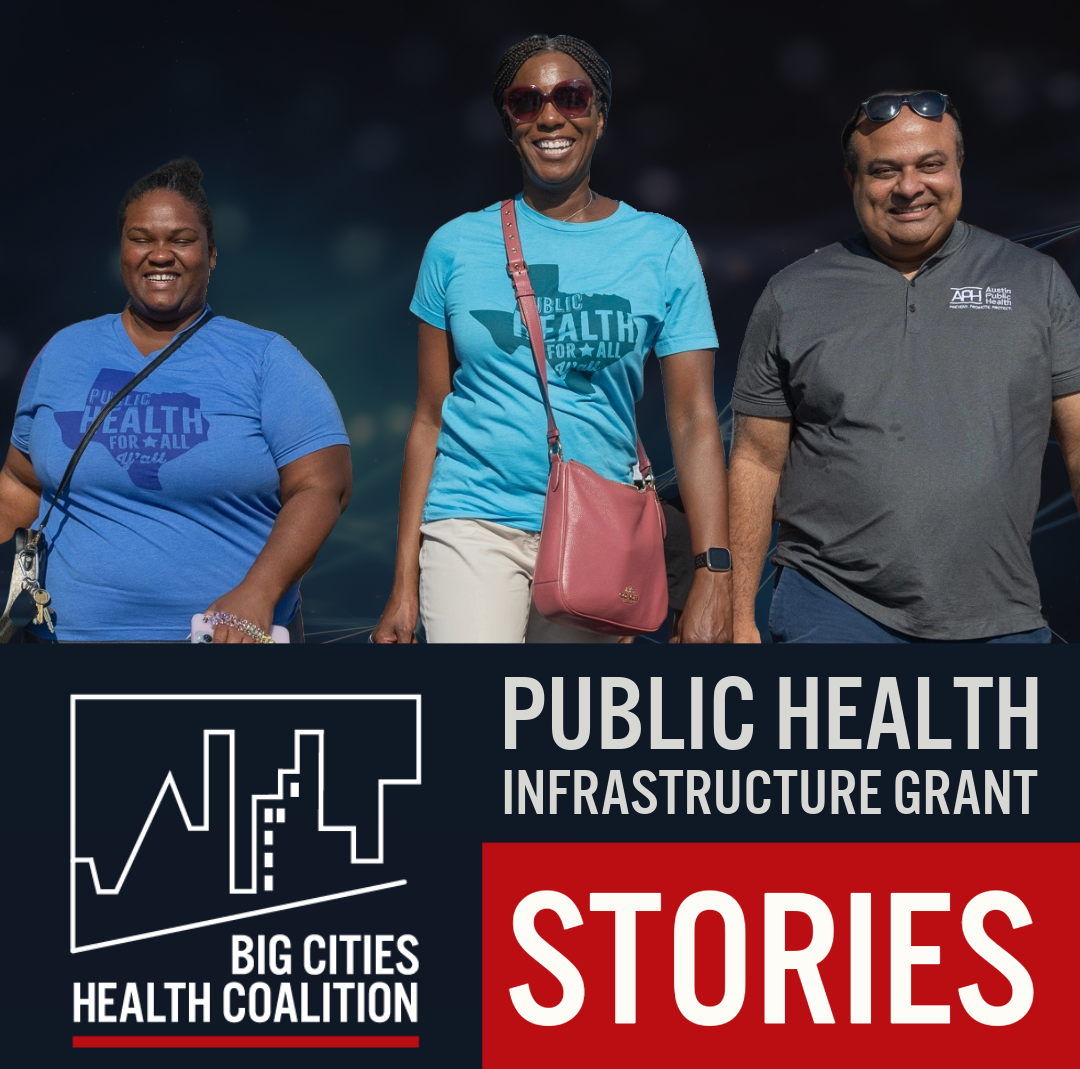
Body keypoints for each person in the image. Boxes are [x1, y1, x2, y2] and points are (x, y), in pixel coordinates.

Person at [373, 33, 731, 644]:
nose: (549, 117)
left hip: (599, 532)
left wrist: (714, 570)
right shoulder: (455, 246)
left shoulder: (660, 245)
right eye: (525, 102)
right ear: (509, 123)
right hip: (473, 522)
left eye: (571, 96)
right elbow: (429, 418)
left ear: (599, 114)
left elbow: (696, 418)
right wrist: (403, 583)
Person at [729, 91, 1080, 644]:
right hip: (831, 609)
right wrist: (737, 613)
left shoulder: (1038, 285)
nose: (909, 187)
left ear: (958, 166)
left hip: (1001, 618)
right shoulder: (792, 294)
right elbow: (755, 461)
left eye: (930, 165)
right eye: (884, 170)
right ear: (852, 181)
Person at [0, 159, 352, 642]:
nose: (159, 254)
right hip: (64, 645)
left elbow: (323, 486)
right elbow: (20, 482)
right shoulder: (63, 352)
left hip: (219, 643)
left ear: (210, 255)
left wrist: (259, 591)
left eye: (181, 240)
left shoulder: (265, 358)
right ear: (122, 250)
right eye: (141, 238)